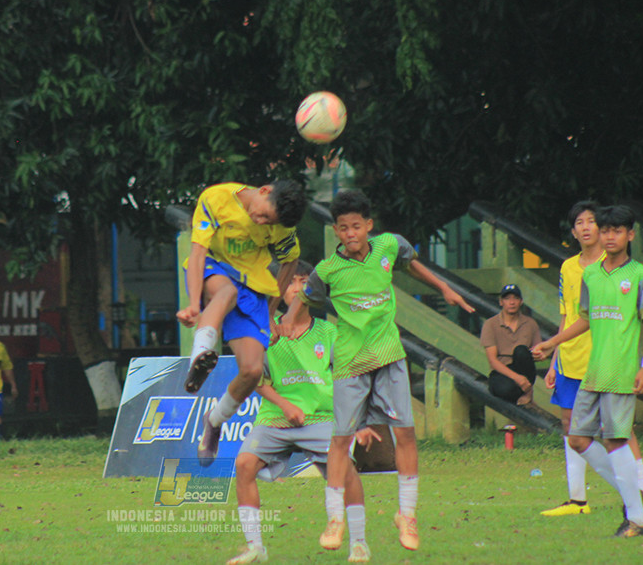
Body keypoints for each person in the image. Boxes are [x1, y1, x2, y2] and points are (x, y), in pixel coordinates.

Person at [283, 189, 474, 559]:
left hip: (389, 358)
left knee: (405, 434)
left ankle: (407, 514)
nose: (350, 233)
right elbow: (302, 299)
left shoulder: (389, 246)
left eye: (357, 226)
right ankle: (334, 519)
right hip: (351, 365)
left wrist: (445, 288)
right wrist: (286, 322)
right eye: (343, 228)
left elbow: (412, 264)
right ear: (336, 231)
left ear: (368, 226)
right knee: (340, 441)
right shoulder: (327, 271)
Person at [531, 205, 643, 538]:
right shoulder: (590, 274)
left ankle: (637, 519)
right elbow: (583, 320)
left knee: (616, 439)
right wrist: (552, 343)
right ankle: (632, 497)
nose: (610, 236)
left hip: (621, 371)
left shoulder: (640, 275)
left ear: (630, 235)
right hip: (593, 371)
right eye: (606, 230)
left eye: (618, 231)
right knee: (577, 438)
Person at [175, 180, 307, 466]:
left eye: (267, 222)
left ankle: (214, 422)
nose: (260, 221)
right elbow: (197, 252)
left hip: (253, 286)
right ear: (264, 191)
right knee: (226, 293)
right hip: (214, 267)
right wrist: (194, 304)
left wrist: (273, 311)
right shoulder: (216, 198)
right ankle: (199, 357)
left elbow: (290, 262)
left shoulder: (281, 227)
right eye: (262, 215)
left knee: (252, 370)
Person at [228, 260, 337, 564]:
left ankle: (349, 536)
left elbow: (347, 380)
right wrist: (287, 405)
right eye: (291, 281)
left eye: (305, 281)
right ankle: (255, 548)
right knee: (245, 464)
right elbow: (257, 380)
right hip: (275, 417)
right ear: (276, 288)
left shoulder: (330, 332)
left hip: (321, 417)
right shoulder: (265, 330)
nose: (299, 288)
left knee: (343, 472)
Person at [479, 284, 540, 405]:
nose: (512, 302)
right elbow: (492, 360)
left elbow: (537, 351)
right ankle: (523, 392)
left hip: (524, 368)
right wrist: (517, 378)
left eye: (515, 298)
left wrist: (539, 354)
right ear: (501, 302)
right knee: (504, 390)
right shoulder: (490, 324)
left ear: (521, 301)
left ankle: (527, 391)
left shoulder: (531, 324)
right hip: (503, 370)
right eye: (507, 299)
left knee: (521, 351)